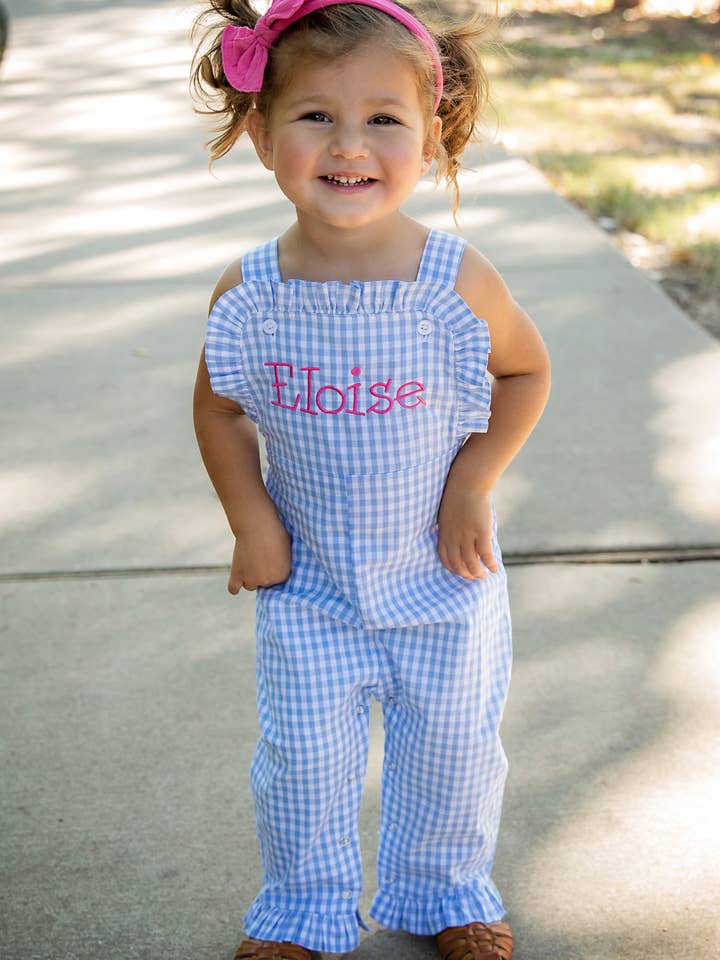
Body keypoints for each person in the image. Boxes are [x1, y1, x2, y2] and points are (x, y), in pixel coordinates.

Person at [191, 0, 551, 957]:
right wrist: (250, 519)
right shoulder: (252, 292)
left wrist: (473, 482)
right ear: (262, 132)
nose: (349, 144)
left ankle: (446, 895)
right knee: (301, 762)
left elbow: (526, 372)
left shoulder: (453, 280)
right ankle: (305, 909)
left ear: (430, 138)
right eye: (315, 116)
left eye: (384, 119)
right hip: (309, 585)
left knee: (452, 752)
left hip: (442, 580)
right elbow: (220, 409)